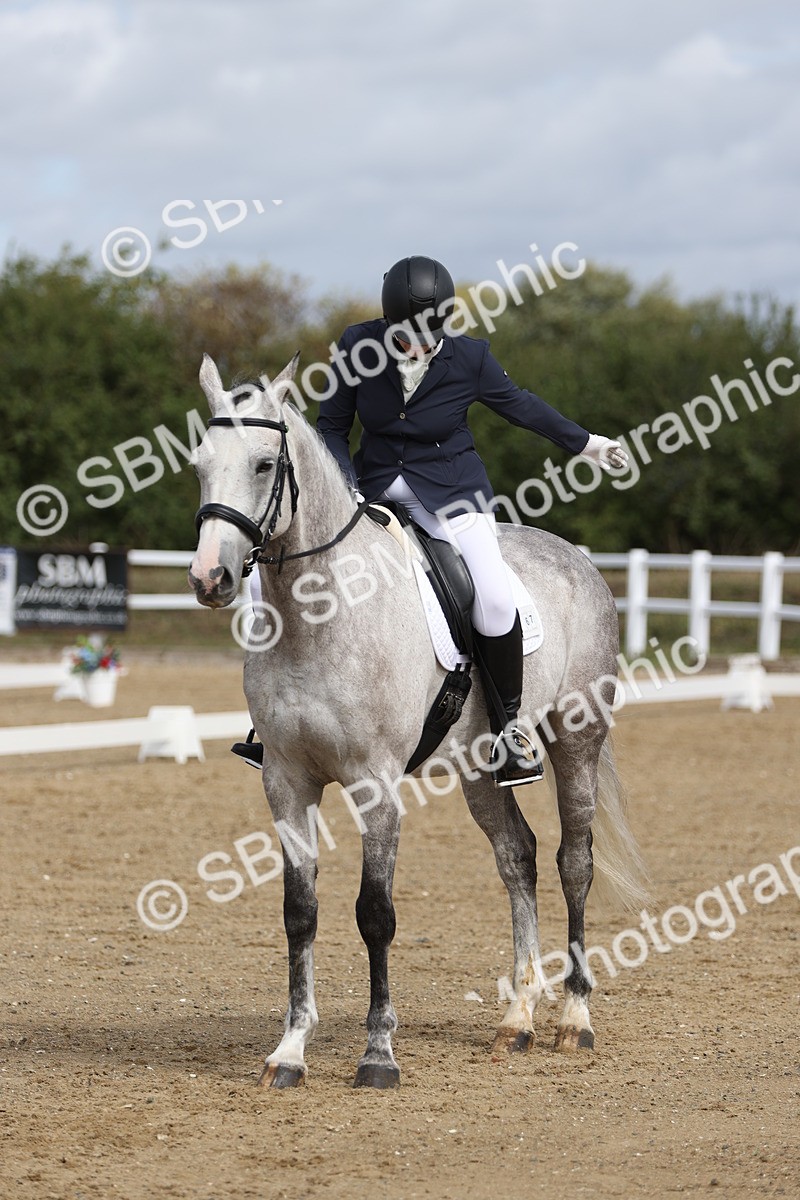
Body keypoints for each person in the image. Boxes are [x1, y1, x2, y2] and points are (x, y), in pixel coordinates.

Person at [234, 255, 627, 785]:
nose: (418, 345)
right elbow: (331, 426)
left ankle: (509, 731)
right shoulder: (357, 345)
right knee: (269, 578)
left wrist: (588, 445)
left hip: (452, 493)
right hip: (369, 493)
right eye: (406, 335)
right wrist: (346, 485)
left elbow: (521, 406)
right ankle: (273, 724)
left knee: (492, 594)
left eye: (427, 334)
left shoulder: (470, 358)